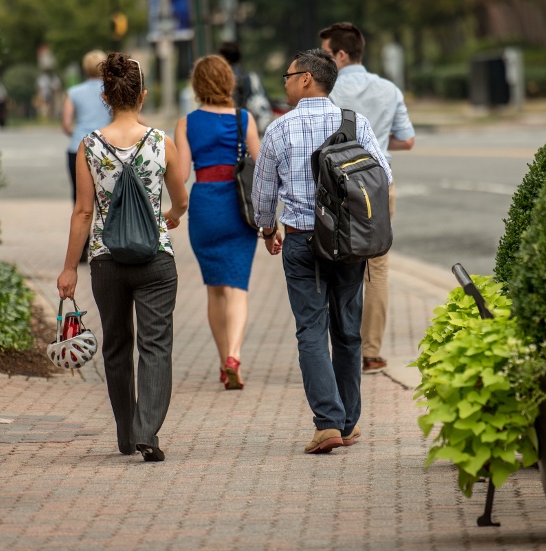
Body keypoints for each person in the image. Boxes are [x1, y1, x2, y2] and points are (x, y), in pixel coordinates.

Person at [252, 49, 391, 454]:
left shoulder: (280, 129)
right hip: (349, 243)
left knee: (310, 330)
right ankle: (347, 424)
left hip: (303, 241)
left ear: (307, 79)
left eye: (288, 75)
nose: (286, 82)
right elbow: (383, 176)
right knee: (348, 332)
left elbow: (262, 192)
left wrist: (266, 228)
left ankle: (327, 423)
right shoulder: (355, 123)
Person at [57, 52, 189, 462]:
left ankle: (126, 434)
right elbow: (181, 197)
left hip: (105, 259)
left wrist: (68, 268)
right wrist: (171, 216)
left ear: (105, 96)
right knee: (156, 344)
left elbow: (83, 211)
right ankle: (149, 430)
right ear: (143, 96)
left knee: (117, 345)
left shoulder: (89, 146)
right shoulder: (161, 142)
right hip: (155, 259)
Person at [319, 22, 416, 375]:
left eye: (326, 53)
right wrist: (378, 134)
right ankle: (371, 352)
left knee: (337, 261)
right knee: (377, 267)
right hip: (378, 183)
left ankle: (342, 348)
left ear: (341, 54)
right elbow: (407, 140)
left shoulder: (324, 91)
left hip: (336, 184)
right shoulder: (389, 90)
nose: (322, 60)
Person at [174, 55, 260, 390]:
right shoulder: (243, 118)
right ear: (229, 82)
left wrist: (173, 212)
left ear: (197, 86)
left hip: (205, 206)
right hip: (239, 206)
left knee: (214, 289)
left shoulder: (186, 123)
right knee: (237, 287)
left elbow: (181, 175)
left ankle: (223, 362)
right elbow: (260, 164)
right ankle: (235, 356)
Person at [62, 50, 112, 261]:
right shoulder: (110, 90)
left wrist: (78, 135)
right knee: (108, 198)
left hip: (78, 149)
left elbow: (66, 123)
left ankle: (82, 249)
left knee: (80, 199)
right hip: (107, 149)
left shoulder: (74, 92)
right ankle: (108, 244)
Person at [218, 41, 274, 134]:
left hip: (235, 127)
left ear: (222, 58)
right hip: (252, 125)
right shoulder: (247, 76)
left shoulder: (225, 79)